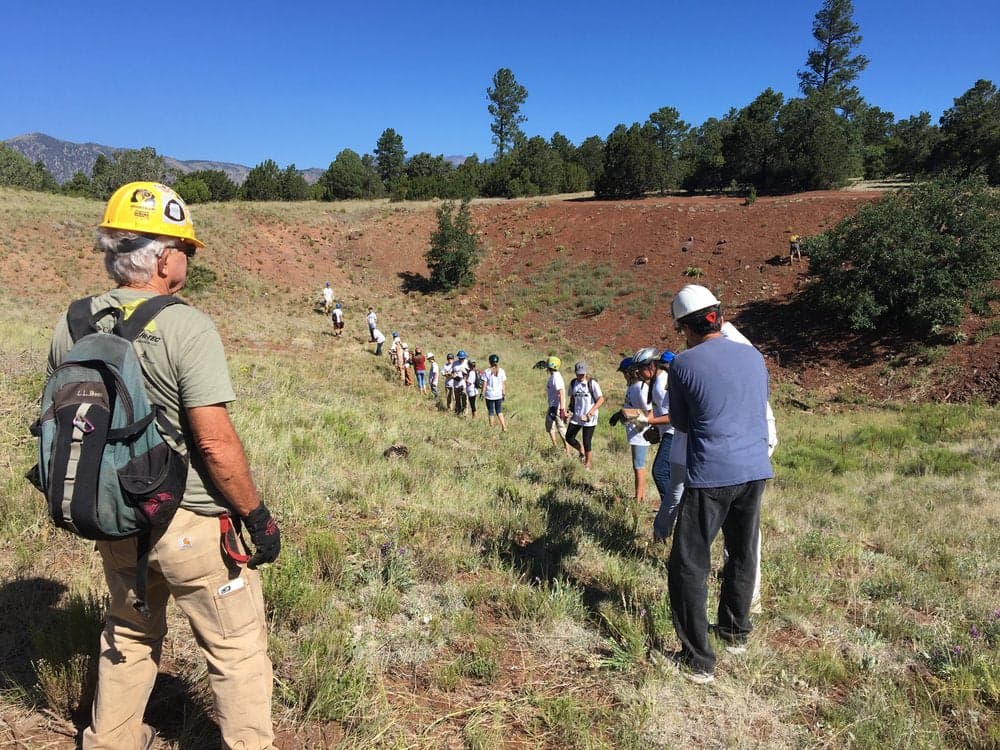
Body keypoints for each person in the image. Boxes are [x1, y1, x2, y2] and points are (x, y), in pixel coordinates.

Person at [46, 182, 280, 748]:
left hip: (115, 517)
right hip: (189, 520)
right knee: (236, 650)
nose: (189, 261)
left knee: (127, 632)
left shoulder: (73, 323)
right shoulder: (185, 325)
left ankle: (110, 742)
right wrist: (256, 515)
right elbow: (216, 443)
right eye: (186, 250)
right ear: (163, 256)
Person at [666, 284, 773, 684]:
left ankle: (698, 660)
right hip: (755, 468)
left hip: (711, 472)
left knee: (689, 564)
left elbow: (680, 423)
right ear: (720, 316)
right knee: (742, 552)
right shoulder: (753, 355)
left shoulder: (683, 365)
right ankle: (735, 631)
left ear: (684, 328)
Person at [646, 351, 677, 540]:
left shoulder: (665, 381)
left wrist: (651, 420)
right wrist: (655, 428)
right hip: (667, 432)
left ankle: (669, 513)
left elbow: (673, 415)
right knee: (671, 476)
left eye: (640, 369)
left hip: (674, 433)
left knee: (659, 471)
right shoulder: (656, 382)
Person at [623, 347, 656, 502]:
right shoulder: (633, 387)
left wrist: (630, 415)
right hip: (636, 431)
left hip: (640, 433)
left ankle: (639, 498)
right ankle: (639, 496)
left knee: (639, 466)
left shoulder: (639, 388)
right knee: (637, 465)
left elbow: (650, 413)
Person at [565, 361, 605, 470]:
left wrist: (591, 412)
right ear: (575, 372)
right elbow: (572, 398)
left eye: (582, 374)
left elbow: (601, 399)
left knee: (587, 441)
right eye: (578, 374)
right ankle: (581, 451)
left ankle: (587, 464)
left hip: (589, 418)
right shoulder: (573, 383)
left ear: (586, 372)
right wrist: (569, 410)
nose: (580, 376)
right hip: (577, 417)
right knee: (569, 437)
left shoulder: (592, 384)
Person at [543, 356, 569, 450]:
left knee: (561, 429)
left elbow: (561, 393)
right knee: (550, 427)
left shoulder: (556, 377)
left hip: (556, 407)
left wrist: (562, 410)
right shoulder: (553, 376)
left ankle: (568, 451)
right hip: (552, 406)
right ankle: (555, 447)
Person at [483, 354, 507, 431]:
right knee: (499, 411)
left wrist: (482, 393)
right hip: (498, 395)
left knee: (491, 411)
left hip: (489, 395)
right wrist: (503, 393)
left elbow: (485, 384)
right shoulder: (502, 371)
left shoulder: (487, 371)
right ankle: (504, 426)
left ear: (490, 362)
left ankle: (491, 428)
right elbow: (503, 384)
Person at [453, 350, 470, 415]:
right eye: (460, 358)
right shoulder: (455, 363)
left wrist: (465, 376)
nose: (461, 359)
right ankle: (458, 411)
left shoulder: (467, 363)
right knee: (457, 400)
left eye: (462, 358)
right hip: (456, 384)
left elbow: (470, 372)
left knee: (464, 399)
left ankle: (465, 412)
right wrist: (454, 375)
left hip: (464, 385)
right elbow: (452, 372)